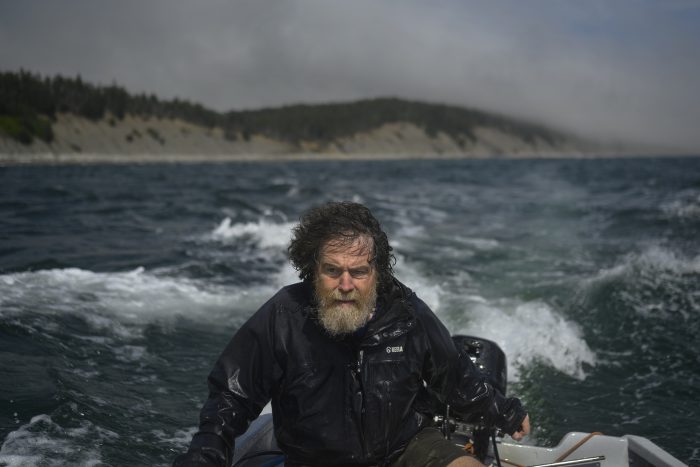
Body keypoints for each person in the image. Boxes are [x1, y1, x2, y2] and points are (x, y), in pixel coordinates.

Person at [174, 201, 530, 467]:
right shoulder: (283, 316)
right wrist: (205, 456)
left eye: (358, 272)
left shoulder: (409, 315)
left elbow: (455, 378)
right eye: (333, 270)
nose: (346, 285)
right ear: (312, 269)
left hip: (405, 450)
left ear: (376, 272)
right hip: (315, 460)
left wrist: (505, 411)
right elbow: (231, 398)